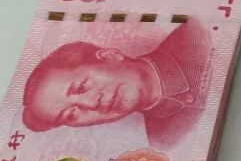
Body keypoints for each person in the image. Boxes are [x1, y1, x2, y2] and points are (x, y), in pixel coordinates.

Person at [21, 20, 210, 150]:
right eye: (71, 115)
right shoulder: (164, 141)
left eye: (81, 87)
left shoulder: (199, 36)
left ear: (110, 56)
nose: (90, 104)